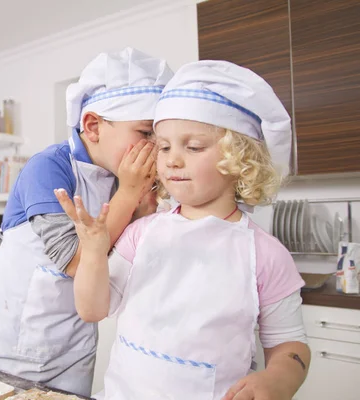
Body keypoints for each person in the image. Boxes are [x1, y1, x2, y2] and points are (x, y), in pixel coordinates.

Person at [55, 60, 310, 399]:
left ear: (239, 159)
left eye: (193, 147)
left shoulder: (264, 253)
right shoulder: (141, 234)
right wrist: (94, 251)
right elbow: (92, 309)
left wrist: (279, 377)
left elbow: (290, 344)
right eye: (163, 146)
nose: (172, 160)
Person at [0, 47, 174, 396]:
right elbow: (78, 259)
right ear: (92, 126)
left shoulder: (118, 178)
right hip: (9, 345)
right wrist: (130, 193)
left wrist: (142, 210)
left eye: (159, 139)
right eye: (144, 133)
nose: (153, 149)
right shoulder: (48, 167)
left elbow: (118, 260)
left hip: (73, 349)